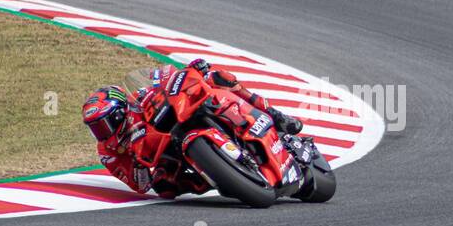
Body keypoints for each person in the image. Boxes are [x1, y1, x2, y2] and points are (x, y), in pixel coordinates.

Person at [82, 59, 302, 198]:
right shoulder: (108, 153)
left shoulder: (139, 100)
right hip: (169, 153)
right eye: (95, 128)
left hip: (183, 115)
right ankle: (221, 178)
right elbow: (139, 185)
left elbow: (163, 78)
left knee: (218, 78)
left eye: (103, 125)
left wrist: (192, 70)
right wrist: (138, 163)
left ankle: (275, 115)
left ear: (121, 112)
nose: (101, 133)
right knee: (164, 187)